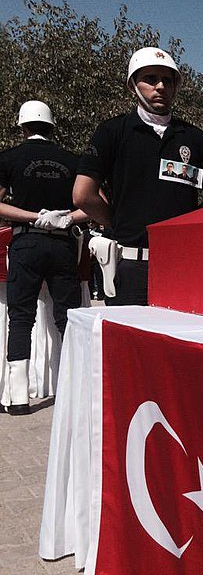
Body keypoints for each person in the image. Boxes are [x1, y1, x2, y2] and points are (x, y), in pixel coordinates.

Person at [73, 47, 203, 305]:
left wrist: (188, 230)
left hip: (182, 266)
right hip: (131, 267)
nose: (160, 86)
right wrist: (117, 222)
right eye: (150, 79)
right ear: (133, 86)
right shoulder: (113, 132)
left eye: (168, 80)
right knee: (128, 345)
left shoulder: (193, 137)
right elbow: (83, 194)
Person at [0, 101, 87, 415]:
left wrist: (33, 217)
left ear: (23, 127)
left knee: (21, 319)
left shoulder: (8, 158)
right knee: (68, 319)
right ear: (52, 127)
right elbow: (95, 202)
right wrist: (64, 218)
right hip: (63, 244)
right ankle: (72, 389)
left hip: (26, 242)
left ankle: (19, 398)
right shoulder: (72, 160)